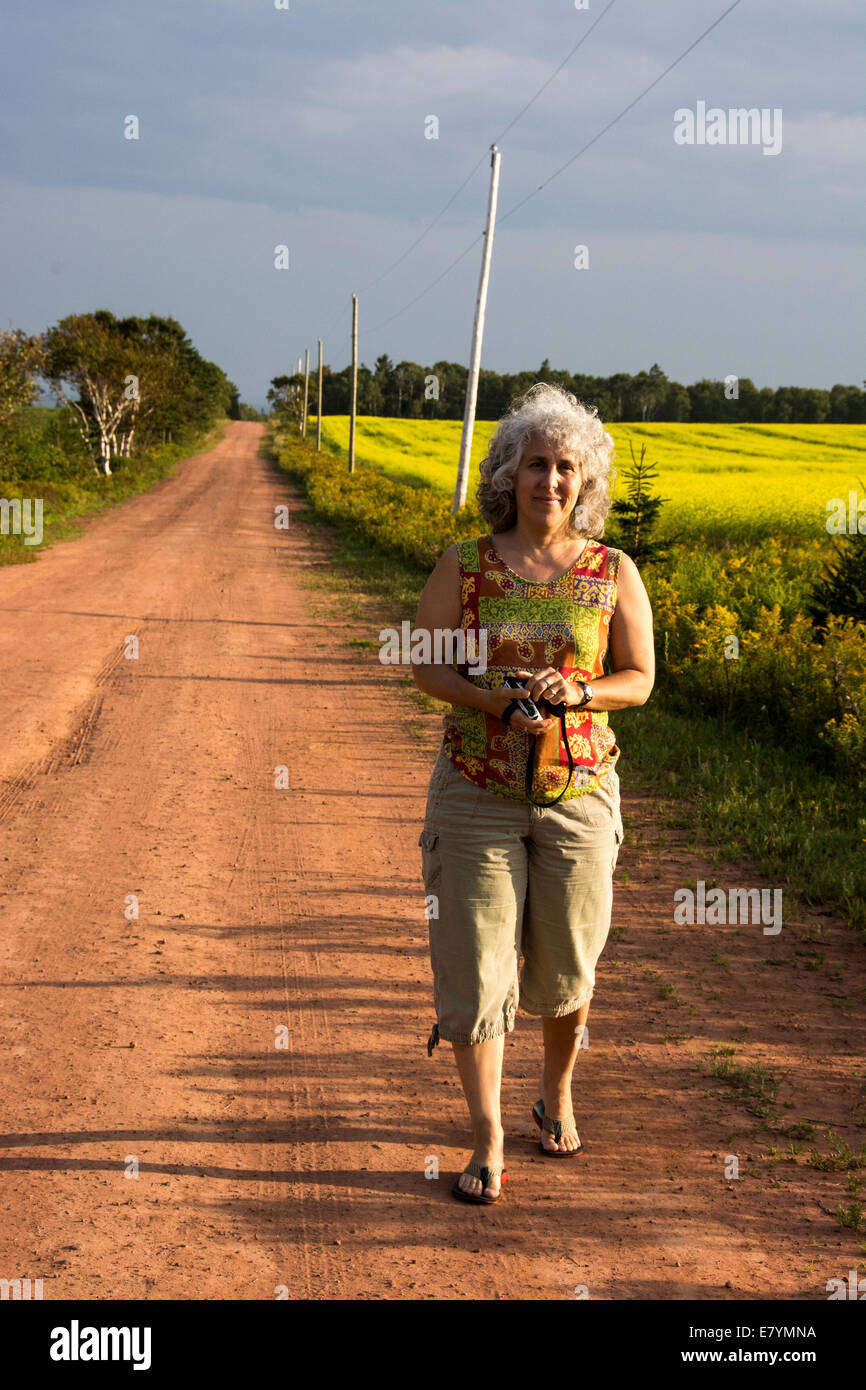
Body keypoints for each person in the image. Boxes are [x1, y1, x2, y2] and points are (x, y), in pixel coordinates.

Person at [412, 382, 655, 1204]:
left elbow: (640, 679)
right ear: (509, 474)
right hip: (475, 790)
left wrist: (577, 693)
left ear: (585, 483)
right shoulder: (466, 564)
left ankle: (556, 1091)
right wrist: (489, 698)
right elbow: (425, 665)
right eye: (537, 464)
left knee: (566, 969)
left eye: (566, 467)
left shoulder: (613, 570)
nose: (551, 480)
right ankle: (484, 1138)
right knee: (476, 973)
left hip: (580, 790)